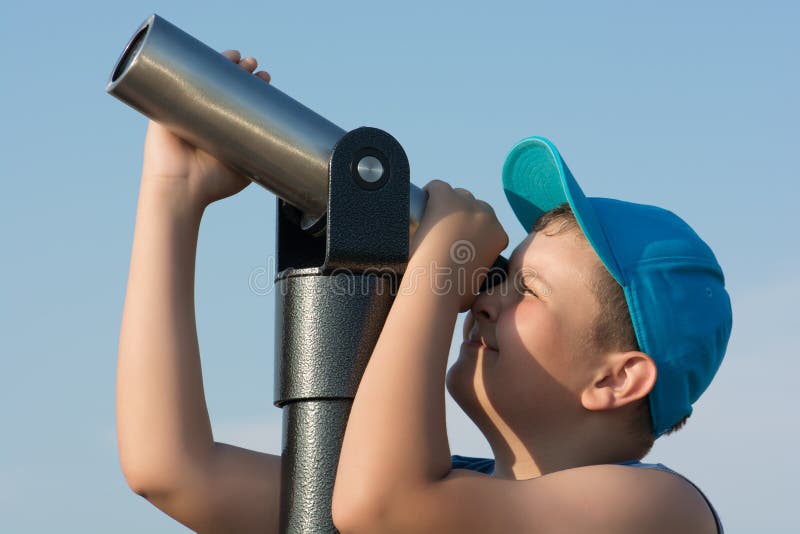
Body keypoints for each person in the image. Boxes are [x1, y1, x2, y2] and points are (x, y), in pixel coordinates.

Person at [116, 50, 731, 533]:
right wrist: (172, 194)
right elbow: (172, 470)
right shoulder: (440, 488)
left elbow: (379, 507)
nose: (486, 298)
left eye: (529, 291)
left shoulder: (660, 510)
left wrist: (441, 261)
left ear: (616, 380)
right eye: (500, 275)